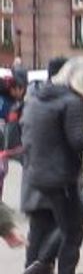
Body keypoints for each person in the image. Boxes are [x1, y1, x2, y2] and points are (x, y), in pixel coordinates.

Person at [19, 56, 83, 274]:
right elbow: (77, 140)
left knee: (72, 222)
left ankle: (40, 267)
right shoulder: (72, 101)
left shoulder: (38, 97)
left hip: (38, 174)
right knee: (73, 232)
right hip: (61, 176)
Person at [0, 67, 27, 200]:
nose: (23, 92)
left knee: (2, 171)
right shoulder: (7, 102)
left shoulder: (11, 101)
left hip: (5, 143)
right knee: (1, 170)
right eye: (21, 89)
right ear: (14, 88)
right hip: (4, 141)